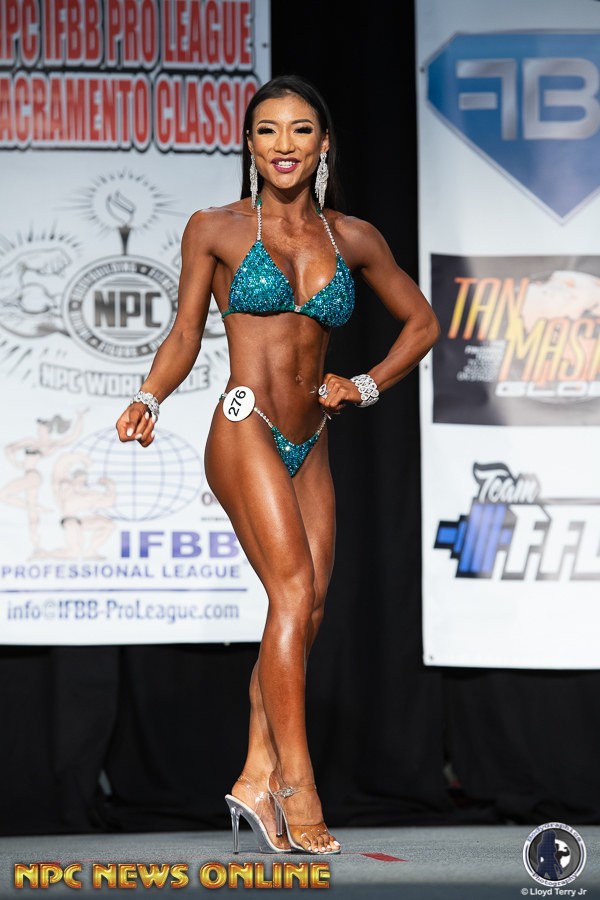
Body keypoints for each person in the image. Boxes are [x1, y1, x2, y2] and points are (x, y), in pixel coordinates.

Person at [115, 74, 440, 855]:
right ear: (250, 144)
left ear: (323, 144)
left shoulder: (352, 238)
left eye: (300, 130)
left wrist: (365, 384)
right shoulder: (216, 228)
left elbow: (424, 323)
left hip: (312, 438)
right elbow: (185, 333)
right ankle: (299, 784)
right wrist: (151, 396)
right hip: (245, 426)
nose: (283, 145)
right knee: (291, 592)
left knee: (309, 609)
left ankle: (255, 775)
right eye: (267, 131)